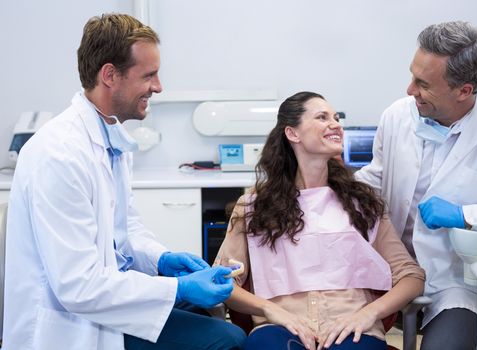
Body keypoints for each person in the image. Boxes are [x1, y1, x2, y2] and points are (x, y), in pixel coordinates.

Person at [3, 14, 246, 350]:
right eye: (149, 75)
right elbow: (78, 286)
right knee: (228, 340)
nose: (159, 87)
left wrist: (161, 259)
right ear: (110, 75)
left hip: (107, 304)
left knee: (208, 310)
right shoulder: (59, 155)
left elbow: (124, 230)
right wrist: (178, 289)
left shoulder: (112, 138)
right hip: (74, 325)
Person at [214, 91, 425, 350]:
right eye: (322, 117)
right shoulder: (253, 208)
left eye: (336, 118)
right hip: (280, 330)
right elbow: (223, 282)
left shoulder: (363, 204)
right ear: (293, 133)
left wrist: (369, 314)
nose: (336, 124)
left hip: (353, 330)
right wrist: (270, 310)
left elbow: (411, 277)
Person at [355, 21, 477, 350]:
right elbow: (376, 179)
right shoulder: (398, 115)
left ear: (464, 90)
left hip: (457, 278)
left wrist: (467, 214)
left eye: (422, 83)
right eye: (412, 75)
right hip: (392, 265)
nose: (410, 90)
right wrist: (326, 188)